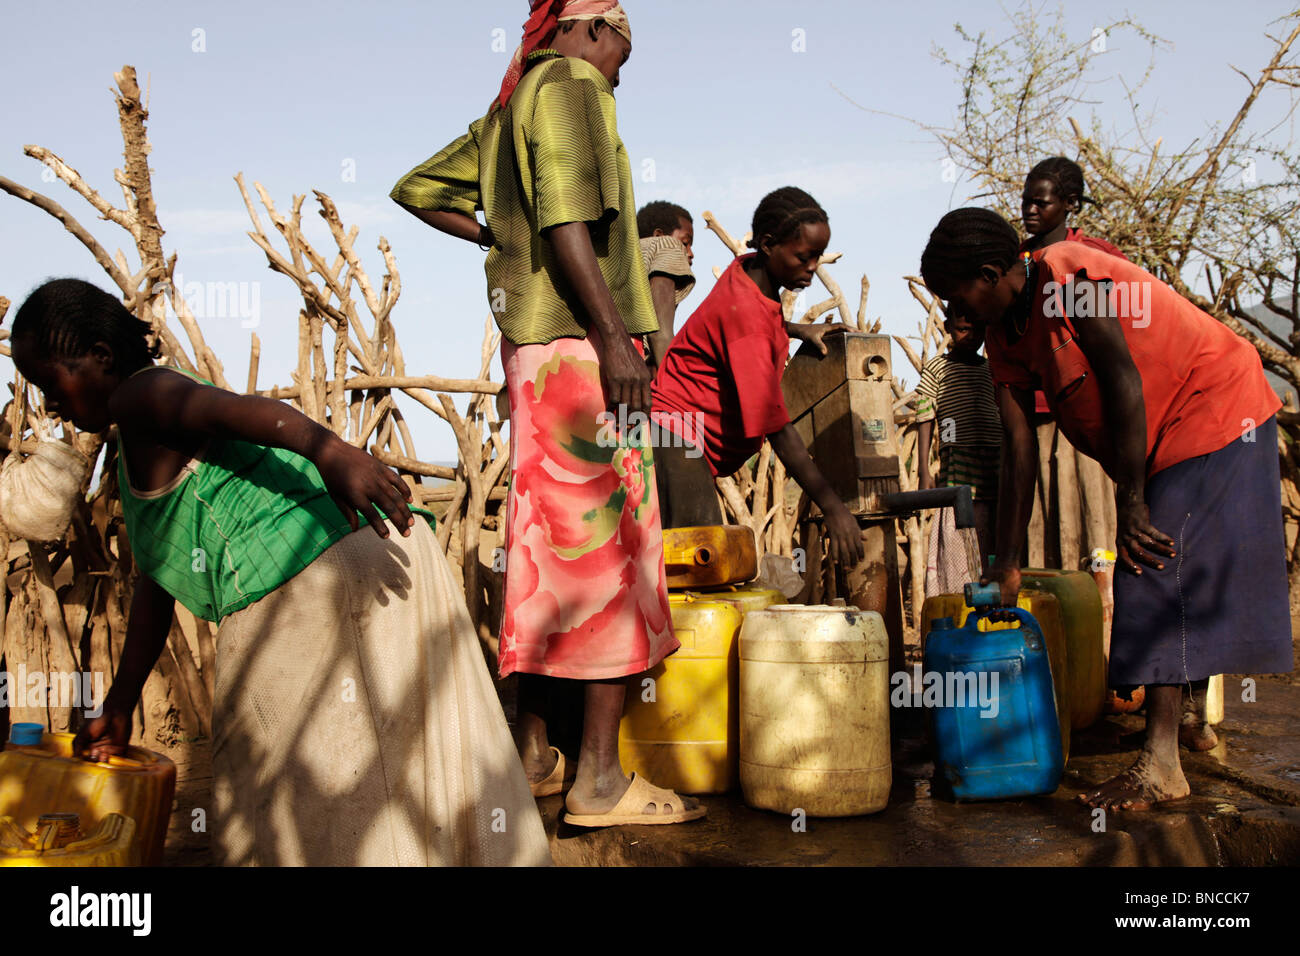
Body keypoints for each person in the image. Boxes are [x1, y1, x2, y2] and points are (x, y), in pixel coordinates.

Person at [8, 278, 552, 866]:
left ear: (101, 358)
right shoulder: (135, 439)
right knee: (405, 777)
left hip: (314, 576)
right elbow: (157, 585)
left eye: (49, 383)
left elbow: (235, 411)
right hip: (373, 553)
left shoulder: (142, 397)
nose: (49, 404)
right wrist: (119, 702)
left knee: (293, 794)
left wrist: (332, 452)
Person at [391, 0, 705, 827]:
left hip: (539, 355)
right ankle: (599, 780)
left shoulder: (507, 108)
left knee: (547, 560)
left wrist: (506, 237)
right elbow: (568, 214)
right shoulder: (569, 82)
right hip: (581, 349)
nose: (614, 79)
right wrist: (615, 335)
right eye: (620, 62)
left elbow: (418, 189)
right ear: (596, 30)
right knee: (615, 558)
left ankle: (533, 756)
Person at [919, 207, 1294, 811]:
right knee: (1171, 567)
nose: (954, 313)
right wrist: (1006, 564)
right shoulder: (1005, 339)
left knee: (1149, 563)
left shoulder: (1071, 278)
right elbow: (1019, 451)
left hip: (1212, 405)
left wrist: (1133, 500)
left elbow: (1121, 378)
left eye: (957, 295)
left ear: (990, 275)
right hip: (1162, 437)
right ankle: (1188, 720)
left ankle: (1162, 765)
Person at [651, 187, 864, 565]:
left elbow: (764, 316)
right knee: (701, 563)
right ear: (768, 244)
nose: (814, 266)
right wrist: (832, 506)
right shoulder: (746, 319)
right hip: (677, 437)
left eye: (817, 255)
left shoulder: (749, 271)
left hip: (677, 433)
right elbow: (776, 427)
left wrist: (797, 329)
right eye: (804, 256)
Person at [915, 311, 1002, 579]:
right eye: (963, 329)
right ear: (948, 328)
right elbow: (925, 414)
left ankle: (991, 576)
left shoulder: (992, 367)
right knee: (960, 519)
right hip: (957, 451)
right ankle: (963, 578)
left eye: (977, 330)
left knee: (994, 519)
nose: (971, 336)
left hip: (995, 453)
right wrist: (923, 469)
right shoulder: (937, 368)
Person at [637, 200, 695, 369]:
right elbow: (660, 334)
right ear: (658, 236)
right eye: (685, 243)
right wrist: (677, 390)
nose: (690, 253)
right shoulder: (666, 245)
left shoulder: (624, 258)